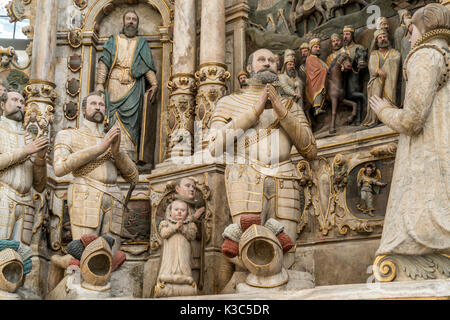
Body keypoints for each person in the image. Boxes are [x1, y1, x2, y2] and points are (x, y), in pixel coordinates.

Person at [208, 48, 316, 268]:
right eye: (261, 60)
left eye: (271, 60)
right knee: (250, 248)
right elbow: (214, 146)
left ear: (278, 67)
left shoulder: (290, 105)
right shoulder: (228, 102)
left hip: (285, 178)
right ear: (249, 68)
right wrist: (254, 111)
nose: (267, 63)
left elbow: (310, 149)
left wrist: (281, 111)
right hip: (246, 177)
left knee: (286, 252)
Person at [369, 3, 450, 259]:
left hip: (429, 155)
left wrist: (383, 110)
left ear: (419, 28)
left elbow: (413, 120)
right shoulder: (445, 53)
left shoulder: (425, 54)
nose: (409, 34)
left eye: (411, 28)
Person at [53, 92, 138, 255]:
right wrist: (100, 148)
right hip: (85, 193)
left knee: (110, 257)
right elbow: (59, 168)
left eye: (102, 104)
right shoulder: (69, 135)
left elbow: (133, 176)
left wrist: (116, 151)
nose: (98, 107)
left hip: (113, 199)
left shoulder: (115, 138)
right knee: (84, 254)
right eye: (93, 104)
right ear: (83, 110)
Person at [95, 9, 158, 163]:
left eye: (134, 20)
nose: (131, 22)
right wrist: (99, 84)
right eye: (128, 19)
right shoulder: (113, 40)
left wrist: (154, 83)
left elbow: (147, 65)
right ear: (123, 22)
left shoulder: (141, 43)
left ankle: (129, 155)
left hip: (133, 87)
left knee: (132, 122)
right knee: (112, 116)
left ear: (137, 24)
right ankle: (111, 153)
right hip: (115, 84)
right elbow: (104, 62)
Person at [0, 89, 48, 245]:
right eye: (14, 100)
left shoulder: (29, 137)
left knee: (21, 258)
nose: (19, 105)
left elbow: (39, 185)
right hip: (3, 195)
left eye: (22, 102)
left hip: (26, 201)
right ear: (2, 104)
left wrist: (40, 158)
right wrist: (26, 151)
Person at [154, 199, 198, 297]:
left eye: (182, 210)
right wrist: (174, 228)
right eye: (176, 209)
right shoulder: (165, 223)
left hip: (184, 258)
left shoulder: (190, 225)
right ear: (170, 211)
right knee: (166, 275)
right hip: (169, 259)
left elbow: (192, 236)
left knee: (186, 273)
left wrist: (183, 229)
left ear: (187, 213)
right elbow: (164, 234)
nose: (179, 212)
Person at [362, 29, 401, 127]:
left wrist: (387, 65)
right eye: (380, 38)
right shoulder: (374, 54)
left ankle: (389, 114)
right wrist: (377, 70)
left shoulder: (394, 52)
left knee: (389, 91)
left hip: (390, 80)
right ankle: (374, 119)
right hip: (376, 80)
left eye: (384, 37)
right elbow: (371, 67)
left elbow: (396, 60)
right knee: (375, 88)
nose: (382, 39)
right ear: (376, 41)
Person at [305, 38, 328, 115]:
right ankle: (317, 108)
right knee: (318, 88)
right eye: (315, 47)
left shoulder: (318, 59)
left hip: (321, 78)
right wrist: (324, 70)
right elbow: (314, 71)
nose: (318, 49)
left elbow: (326, 67)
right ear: (311, 49)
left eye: (319, 47)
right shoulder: (309, 59)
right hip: (314, 80)